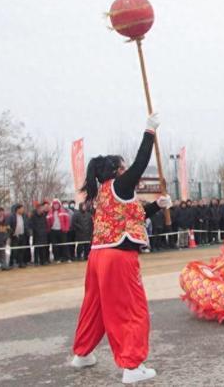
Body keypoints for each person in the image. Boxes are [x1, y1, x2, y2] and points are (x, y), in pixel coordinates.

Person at [71, 113, 171, 384]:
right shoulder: (119, 185)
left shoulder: (103, 193)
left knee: (96, 306)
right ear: (117, 171)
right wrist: (149, 132)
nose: (129, 171)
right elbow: (141, 163)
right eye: (124, 167)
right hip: (118, 257)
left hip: (99, 255)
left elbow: (135, 216)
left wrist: (158, 207)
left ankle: (82, 353)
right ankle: (131, 366)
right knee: (130, 308)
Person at [47, 199, 71, 263]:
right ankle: (57, 258)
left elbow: (67, 221)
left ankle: (67, 258)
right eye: (54, 205)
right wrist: (49, 229)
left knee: (64, 244)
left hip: (62, 230)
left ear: (59, 205)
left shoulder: (63, 211)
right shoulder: (50, 212)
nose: (56, 206)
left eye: (57, 204)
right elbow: (48, 222)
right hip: (53, 231)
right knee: (55, 246)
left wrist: (66, 229)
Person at [8, 204, 29, 268]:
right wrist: (12, 233)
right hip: (15, 236)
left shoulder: (24, 216)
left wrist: (27, 232)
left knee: (22, 250)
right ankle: (11, 263)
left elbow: (26, 225)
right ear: (18, 209)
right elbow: (8, 226)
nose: (23, 210)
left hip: (23, 235)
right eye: (22, 208)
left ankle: (21, 262)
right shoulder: (12, 216)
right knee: (14, 250)